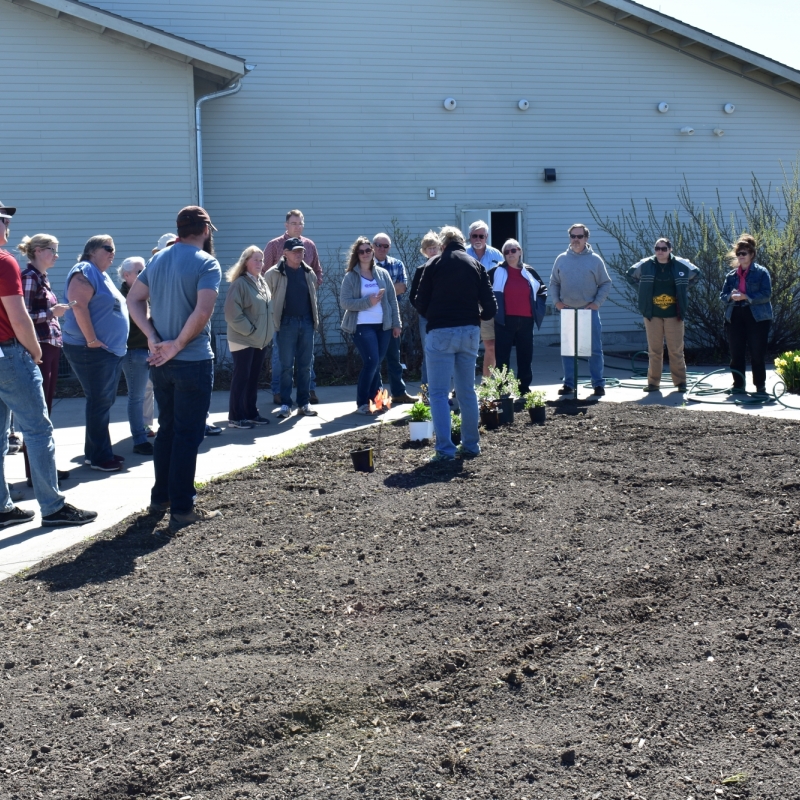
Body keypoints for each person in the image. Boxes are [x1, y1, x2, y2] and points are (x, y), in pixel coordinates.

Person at [127, 205, 223, 534]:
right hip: (191, 361)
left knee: (167, 430)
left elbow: (133, 300)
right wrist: (177, 344)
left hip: (161, 363)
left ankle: (161, 498)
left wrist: (154, 338)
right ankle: (182, 508)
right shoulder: (207, 262)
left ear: (179, 230)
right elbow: (203, 311)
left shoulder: (158, 259)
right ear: (206, 230)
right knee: (187, 434)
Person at [0, 201, 97, 527]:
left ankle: (2, 507)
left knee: (2, 437)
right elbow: (19, 315)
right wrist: (34, 351)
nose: (7, 226)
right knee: (38, 430)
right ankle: (53, 507)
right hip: (10, 354)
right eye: (3, 219)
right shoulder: (5, 262)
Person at [415, 226, 496, 462]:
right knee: (467, 391)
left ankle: (445, 450)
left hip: (441, 331)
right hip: (470, 331)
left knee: (439, 394)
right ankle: (471, 445)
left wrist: (436, 315)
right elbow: (491, 307)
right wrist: (475, 318)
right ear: (462, 242)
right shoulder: (476, 265)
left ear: (443, 244)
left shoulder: (434, 264)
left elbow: (419, 302)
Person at [62, 235, 129, 471]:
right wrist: (91, 340)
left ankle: (95, 452)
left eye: (114, 249)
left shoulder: (100, 274)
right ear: (91, 250)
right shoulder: (85, 270)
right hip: (90, 350)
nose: (113, 253)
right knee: (99, 401)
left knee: (103, 400)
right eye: (108, 248)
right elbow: (78, 305)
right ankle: (100, 457)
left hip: (107, 351)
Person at [17, 234, 72, 487]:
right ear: (38, 251)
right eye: (53, 250)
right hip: (38, 349)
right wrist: (52, 311)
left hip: (49, 347)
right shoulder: (29, 278)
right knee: (39, 414)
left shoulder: (40, 278)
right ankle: (37, 474)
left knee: (45, 412)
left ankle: (42, 470)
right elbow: (23, 316)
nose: (57, 255)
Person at [263, 210, 322, 405]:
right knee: (282, 357)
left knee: (307, 358)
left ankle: (308, 391)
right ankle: (279, 391)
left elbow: (317, 271)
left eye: (300, 223)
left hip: (305, 313)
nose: (297, 226)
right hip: (282, 315)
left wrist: (309, 287)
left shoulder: (310, 245)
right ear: (286, 225)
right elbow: (265, 277)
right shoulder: (274, 245)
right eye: (293, 223)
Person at [627, 238, 700, 393]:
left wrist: (683, 289)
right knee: (654, 350)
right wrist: (642, 291)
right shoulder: (646, 264)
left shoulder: (680, 264)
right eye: (657, 248)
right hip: (652, 314)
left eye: (664, 248)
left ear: (670, 249)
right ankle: (653, 383)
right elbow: (629, 274)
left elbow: (696, 274)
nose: (660, 251)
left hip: (674, 313)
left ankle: (680, 382)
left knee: (676, 350)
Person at [550, 223, 612, 397]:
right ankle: (569, 384)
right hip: (568, 310)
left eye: (579, 236)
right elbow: (554, 283)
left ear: (586, 238)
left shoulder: (595, 260)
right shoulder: (561, 259)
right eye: (573, 236)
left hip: (588, 311)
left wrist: (596, 303)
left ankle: (598, 384)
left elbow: (606, 283)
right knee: (569, 349)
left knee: (593, 349)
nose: (576, 240)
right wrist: (557, 302)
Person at [340, 237, 401, 414]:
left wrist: (396, 324)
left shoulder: (382, 274)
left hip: (383, 326)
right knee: (371, 362)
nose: (365, 254)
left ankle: (376, 401)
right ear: (356, 255)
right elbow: (345, 302)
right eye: (361, 251)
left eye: (368, 250)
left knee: (377, 363)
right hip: (362, 326)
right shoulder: (351, 276)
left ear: (373, 252)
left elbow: (391, 300)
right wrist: (368, 301)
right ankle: (362, 403)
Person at [488, 239, 548, 395]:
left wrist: (538, 309)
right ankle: (503, 389)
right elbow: (484, 291)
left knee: (525, 356)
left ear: (520, 251)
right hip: (504, 320)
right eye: (506, 252)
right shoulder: (496, 272)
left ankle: (524, 388)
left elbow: (542, 291)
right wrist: (490, 310)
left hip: (527, 320)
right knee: (502, 356)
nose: (510, 254)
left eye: (513, 250)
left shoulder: (529, 272)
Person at [224, 246, 272, 428]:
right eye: (256, 260)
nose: (260, 264)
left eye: (261, 260)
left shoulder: (261, 281)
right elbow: (231, 313)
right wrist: (251, 330)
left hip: (259, 340)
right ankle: (235, 417)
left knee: (253, 378)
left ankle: (251, 412)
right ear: (245, 262)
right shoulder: (240, 283)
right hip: (242, 339)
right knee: (241, 377)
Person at [719, 234, 772, 394]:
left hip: (757, 317)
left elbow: (766, 294)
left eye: (744, 253)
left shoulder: (761, 273)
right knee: (736, 354)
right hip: (735, 316)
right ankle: (738, 385)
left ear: (752, 255)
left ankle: (760, 387)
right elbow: (722, 296)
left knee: (757, 353)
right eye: (739, 254)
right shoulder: (731, 276)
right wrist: (731, 296)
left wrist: (747, 297)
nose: (741, 256)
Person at [373, 232, 417, 404]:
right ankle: (376, 395)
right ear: (373, 245)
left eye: (386, 246)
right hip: (372, 318)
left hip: (392, 317)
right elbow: (366, 291)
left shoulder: (396, 264)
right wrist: (390, 290)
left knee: (394, 356)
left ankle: (399, 392)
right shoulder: (366, 265)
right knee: (375, 358)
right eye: (378, 245)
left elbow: (403, 287)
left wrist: (379, 292)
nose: (382, 248)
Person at [117, 257, 154, 455]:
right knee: (137, 397)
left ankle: (145, 429)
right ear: (126, 275)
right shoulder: (123, 297)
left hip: (148, 350)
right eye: (139, 272)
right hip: (133, 351)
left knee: (148, 392)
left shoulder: (145, 294)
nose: (144, 275)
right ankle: (139, 440)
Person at [466, 221, 504, 377]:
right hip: (467, 306)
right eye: (474, 235)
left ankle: (486, 385)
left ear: (486, 237)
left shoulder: (497, 255)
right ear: (469, 237)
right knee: (466, 347)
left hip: (488, 306)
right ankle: (463, 384)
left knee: (490, 345)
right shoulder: (463, 254)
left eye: (481, 236)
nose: (478, 239)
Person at [409, 231, 442, 388]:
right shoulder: (420, 270)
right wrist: (424, 310)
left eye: (435, 247)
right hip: (426, 318)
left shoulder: (445, 267)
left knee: (444, 352)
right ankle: (426, 389)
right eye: (429, 248)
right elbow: (413, 296)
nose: (432, 251)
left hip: (444, 317)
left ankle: (443, 388)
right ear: (424, 251)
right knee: (428, 351)